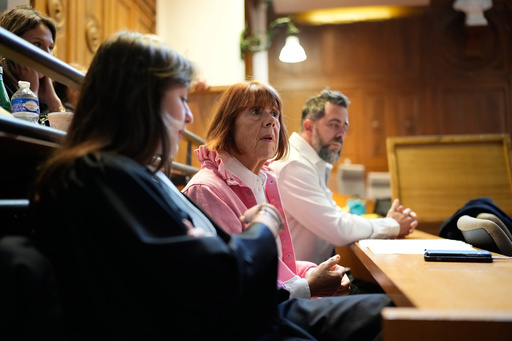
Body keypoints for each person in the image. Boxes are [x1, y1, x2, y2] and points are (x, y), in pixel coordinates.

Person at [30, 32, 392, 340]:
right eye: (183, 99)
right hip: (242, 327)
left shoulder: (129, 173)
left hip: (257, 315)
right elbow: (221, 279)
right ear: (141, 99)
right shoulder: (102, 175)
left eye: (275, 116)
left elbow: (212, 265)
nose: (188, 116)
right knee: (399, 313)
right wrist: (265, 223)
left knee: (397, 308)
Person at [182, 80, 354, 299]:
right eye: (255, 111)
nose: (271, 121)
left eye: (274, 113)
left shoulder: (265, 179)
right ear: (228, 125)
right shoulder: (206, 190)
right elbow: (237, 286)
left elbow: (277, 267)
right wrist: (308, 287)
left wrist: (311, 271)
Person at [271, 88, 419, 264]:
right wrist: (391, 225)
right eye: (334, 124)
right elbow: (338, 229)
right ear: (309, 127)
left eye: (344, 127)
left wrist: (388, 223)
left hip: (315, 277)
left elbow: (335, 216)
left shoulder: (311, 162)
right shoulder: (294, 165)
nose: (341, 134)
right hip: (300, 286)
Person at [0, 5, 65, 124]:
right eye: (37, 44)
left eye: (50, 47)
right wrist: (30, 94)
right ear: (12, 47)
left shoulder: (44, 93)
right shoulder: (2, 89)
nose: (47, 55)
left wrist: (53, 102)